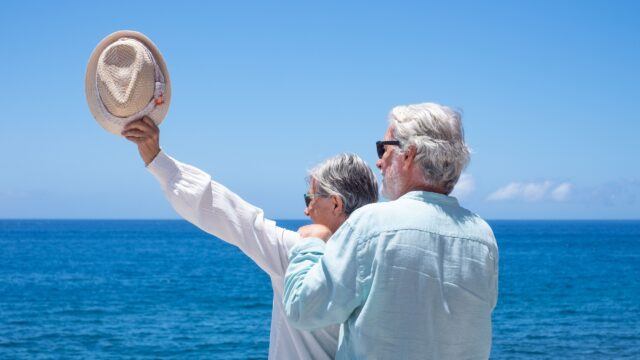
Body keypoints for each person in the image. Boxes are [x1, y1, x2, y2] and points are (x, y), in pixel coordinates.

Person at [121, 117, 379, 360]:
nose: (306, 210)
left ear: (335, 204)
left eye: (310, 199)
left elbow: (228, 213)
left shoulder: (297, 254)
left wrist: (156, 159)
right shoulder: (384, 260)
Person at [283, 103, 499, 359]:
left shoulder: (371, 225)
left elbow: (302, 308)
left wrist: (312, 243)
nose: (379, 161)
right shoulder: (482, 236)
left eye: (383, 148)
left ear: (409, 154)